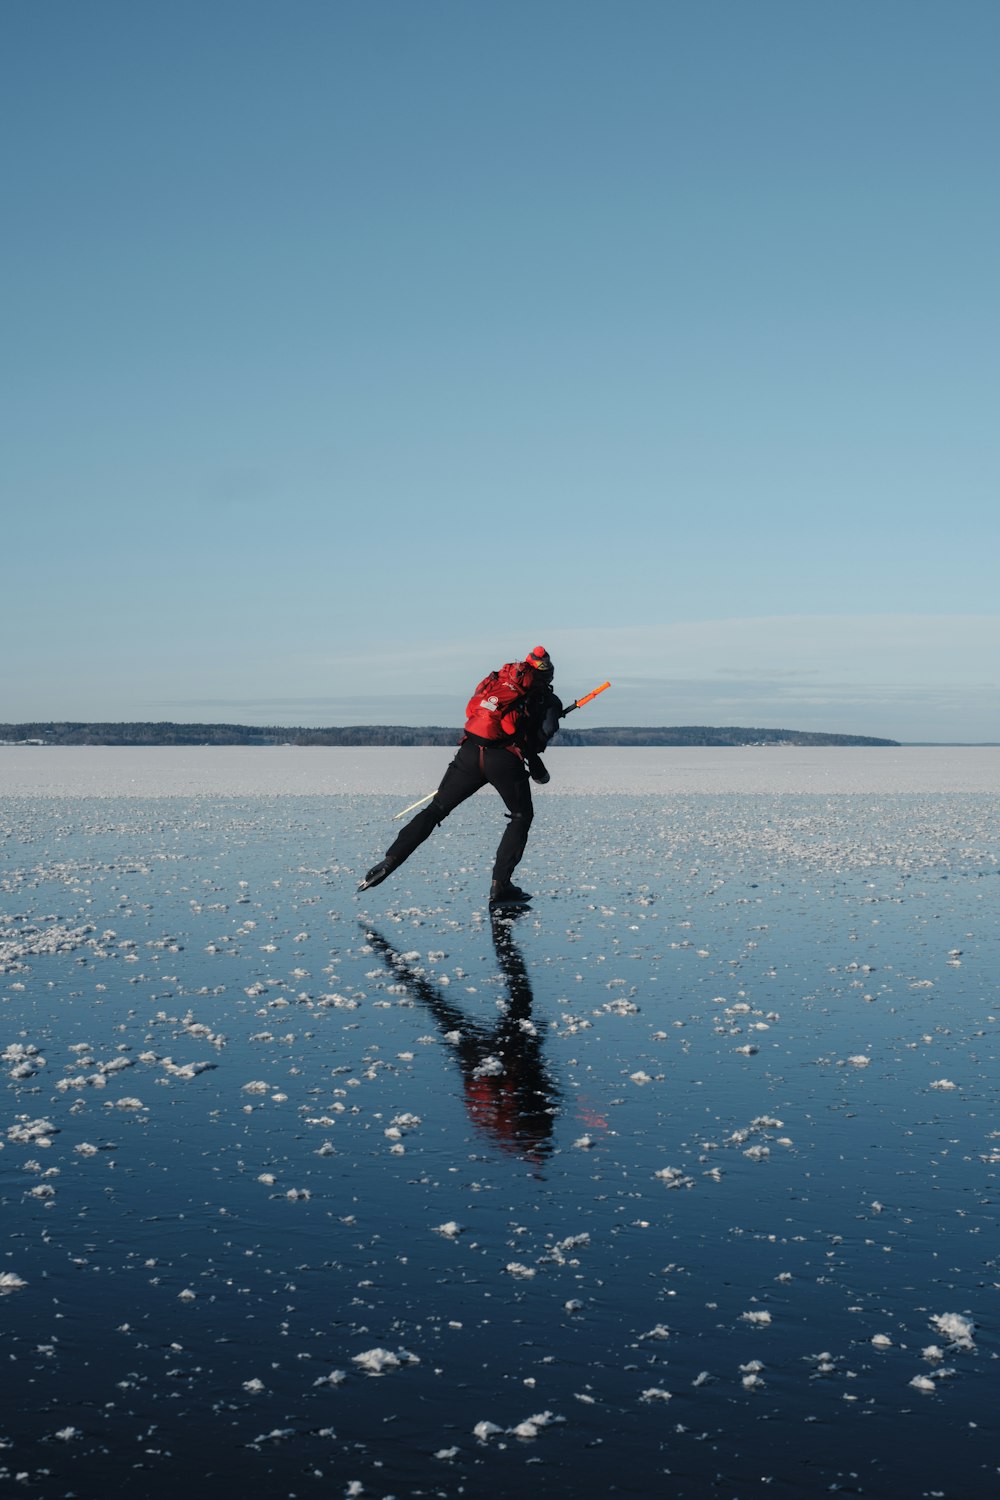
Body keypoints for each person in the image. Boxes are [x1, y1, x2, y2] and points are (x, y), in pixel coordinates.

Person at [358, 645, 562, 910]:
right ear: (547, 674)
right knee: (521, 816)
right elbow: (537, 741)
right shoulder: (547, 700)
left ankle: (391, 859)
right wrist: (537, 765)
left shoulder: (499, 680)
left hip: (469, 752)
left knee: (436, 809)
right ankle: (501, 885)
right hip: (503, 760)